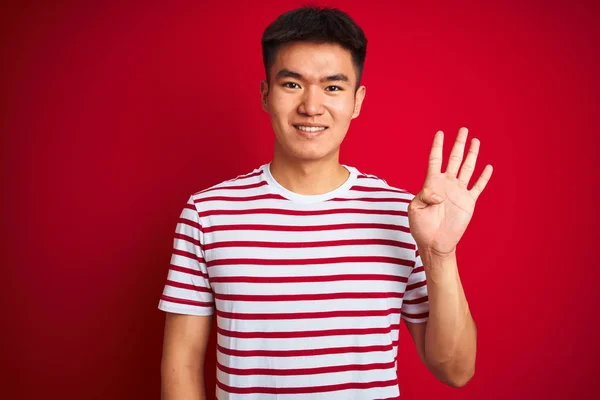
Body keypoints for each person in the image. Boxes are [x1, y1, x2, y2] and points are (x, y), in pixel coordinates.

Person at [158, 5, 493, 400]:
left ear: (357, 101)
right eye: (292, 84)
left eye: (333, 87)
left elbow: (456, 370)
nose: (312, 107)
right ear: (266, 94)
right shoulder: (206, 213)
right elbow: (180, 365)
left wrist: (440, 254)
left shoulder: (407, 215)